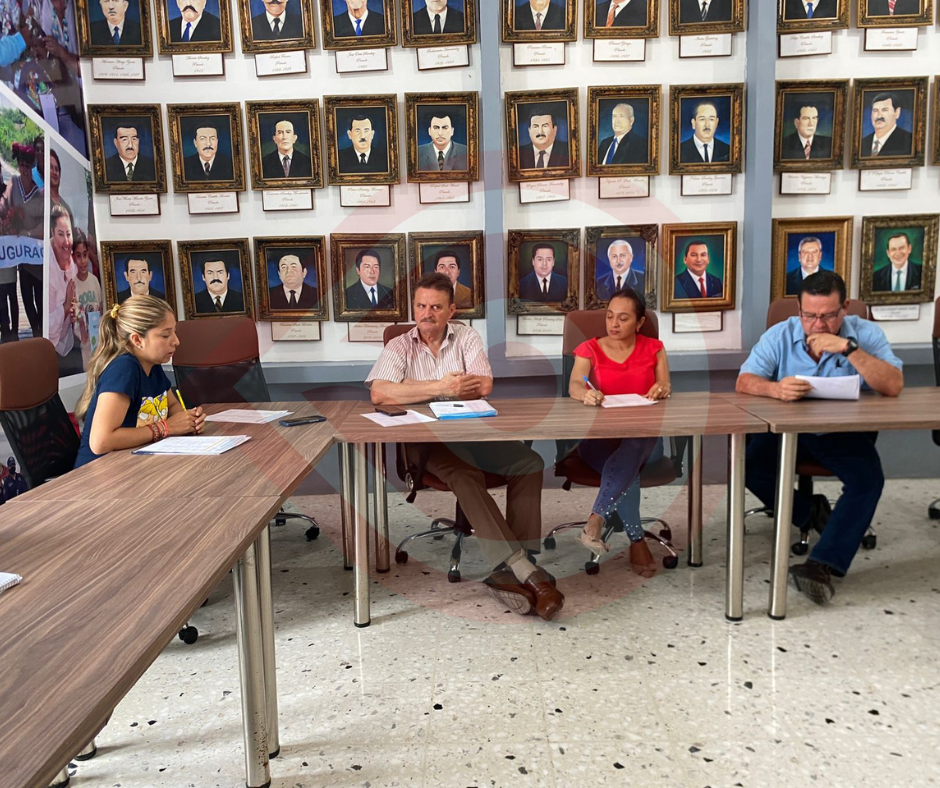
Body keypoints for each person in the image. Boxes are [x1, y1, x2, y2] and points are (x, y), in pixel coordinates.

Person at [366, 272, 564, 620]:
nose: (426, 314)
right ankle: (525, 572)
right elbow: (380, 393)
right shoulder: (399, 345)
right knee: (465, 475)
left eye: (435, 307)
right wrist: (443, 386)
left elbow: (483, 386)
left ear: (451, 311)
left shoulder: (466, 336)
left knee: (529, 463)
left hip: (472, 431)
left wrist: (411, 387)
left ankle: (515, 566)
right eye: (420, 306)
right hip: (426, 443)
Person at [736, 270, 903, 604]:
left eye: (828, 316)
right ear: (799, 309)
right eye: (809, 315)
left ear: (844, 309)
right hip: (787, 431)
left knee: (868, 479)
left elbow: (894, 385)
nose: (818, 324)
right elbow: (745, 381)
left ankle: (821, 565)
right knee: (747, 466)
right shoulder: (780, 334)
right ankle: (810, 512)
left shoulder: (865, 333)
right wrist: (775, 389)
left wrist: (848, 348)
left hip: (839, 432)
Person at [568, 288, 671, 576]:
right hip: (599, 441)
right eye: (610, 316)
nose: (613, 324)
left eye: (623, 318)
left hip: (645, 440)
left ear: (639, 323)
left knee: (634, 446)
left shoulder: (655, 348)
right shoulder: (589, 349)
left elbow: (665, 385)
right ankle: (636, 540)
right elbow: (575, 384)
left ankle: (596, 519)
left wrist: (662, 388)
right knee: (628, 469)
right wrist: (585, 394)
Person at [73, 295, 206, 469]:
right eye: (166, 335)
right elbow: (101, 441)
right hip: (99, 474)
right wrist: (166, 428)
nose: (176, 341)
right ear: (137, 340)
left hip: (135, 466)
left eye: (174, 332)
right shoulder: (124, 369)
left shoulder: (153, 365)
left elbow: (172, 405)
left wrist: (188, 421)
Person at [0, 144, 44, 339]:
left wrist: (28, 232)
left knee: (40, 300)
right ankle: (33, 332)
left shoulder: (39, 194)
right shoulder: (14, 183)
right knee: (26, 299)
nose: (24, 169)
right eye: (21, 165)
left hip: (36, 257)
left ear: (32, 166)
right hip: (22, 259)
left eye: (28, 165)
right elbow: (4, 205)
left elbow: (44, 224)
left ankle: (41, 335)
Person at [48, 205, 76, 358]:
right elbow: (48, 325)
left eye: (68, 234)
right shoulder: (47, 269)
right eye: (60, 234)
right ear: (52, 233)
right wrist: (66, 306)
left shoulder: (73, 263)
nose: (66, 241)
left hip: (68, 340)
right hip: (48, 347)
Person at [72, 229, 103, 367]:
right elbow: (74, 316)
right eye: (79, 256)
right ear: (73, 257)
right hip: (82, 344)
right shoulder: (72, 285)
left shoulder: (94, 281)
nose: (83, 261)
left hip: (97, 341)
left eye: (85, 255)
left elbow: (100, 307)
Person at [860, 92, 913, 158]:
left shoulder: (909, 141)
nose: (879, 116)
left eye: (884, 110)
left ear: (897, 112)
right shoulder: (862, 143)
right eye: (875, 110)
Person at [48, 150, 72, 220]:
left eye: (56, 169)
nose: (54, 172)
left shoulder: (66, 208)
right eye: (51, 167)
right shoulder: (39, 200)